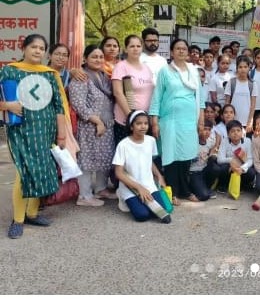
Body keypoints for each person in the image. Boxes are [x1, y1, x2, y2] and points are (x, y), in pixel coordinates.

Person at [1, 34, 68, 239]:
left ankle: (31, 214)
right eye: (33, 47)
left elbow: (58, 106)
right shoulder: (10, 70)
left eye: (41, 48)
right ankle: (18, 220)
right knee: (24, 172)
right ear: (24, 48)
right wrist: (7, 105)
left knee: (40, 171)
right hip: (21, 130)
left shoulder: (49, 74)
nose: (38, 51)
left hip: (46, 131)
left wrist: (62, 135)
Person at [149, 38, 205, 206]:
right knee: (171, 157)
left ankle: (185, 191)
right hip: (170, 121)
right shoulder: (165, 71)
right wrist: (154, 122)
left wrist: (201, 121)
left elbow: (200, 99)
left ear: (187, 52)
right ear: (172, 52)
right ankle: (172, 192)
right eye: (178, 48)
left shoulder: (194, 71)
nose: (181, 51)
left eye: (184, 48)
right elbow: (157, 97)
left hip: (189, 121)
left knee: (186, 156)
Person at [68, 44, 116, 207]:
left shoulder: (104, 76)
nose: (98, 59)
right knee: (87, 160)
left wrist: (104, 123)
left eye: (101, 57)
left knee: (104, 157)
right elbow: (78, 104)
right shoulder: (81, 77)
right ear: (85, 59)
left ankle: (101, 188)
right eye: (94, 57)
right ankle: (84, 195)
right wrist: (97, 121)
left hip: (107, 124)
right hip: (89, 126)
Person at [113, 110, 171, 224]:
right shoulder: (123, 145)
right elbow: (118, 173)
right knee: (142, 215)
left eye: (146, 123)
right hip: (130, 186)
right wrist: (139, 188)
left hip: (148, 185)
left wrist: (159, 176)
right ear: (131, 126)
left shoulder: (151, 140)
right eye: (138, 123)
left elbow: (149, 161)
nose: (143, 126)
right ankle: (122, 195)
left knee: (160, 211)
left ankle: (139, 201)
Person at [111, 35, 154, 144]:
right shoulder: (121, 66)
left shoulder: (147, 68)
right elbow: (117, 92)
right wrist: (132, 117)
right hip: (127, 121)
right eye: (132, 46)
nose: (135, 49)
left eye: (138, 46)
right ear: (126, 49)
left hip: (144, 122)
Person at [213, 120, 255, 193]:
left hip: (241, 167)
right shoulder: (225, 141)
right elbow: (219, 159)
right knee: (223, 168)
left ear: (242, 132)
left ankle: (241, 186)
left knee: (251, 173)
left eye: (238, 130)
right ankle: (224, 185)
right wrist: (231, 160)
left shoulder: (247, 141)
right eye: (232, 131)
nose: (236, 133)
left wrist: (242, 168)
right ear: (228, 134)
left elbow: (250, 160)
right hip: (229, 167)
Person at [224, 56, 258, 133]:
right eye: (240, 67)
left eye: (245, 67)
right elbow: (227, 103)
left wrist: (250, 121)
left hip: (246, 122)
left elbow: (253, 105)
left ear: (249, 68)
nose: (243, 69)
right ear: (237, 68)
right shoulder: (231, 82)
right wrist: (227, 119)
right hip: (232, 121)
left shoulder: (253, 84)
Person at [190, 119, 219, 201]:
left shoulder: (210, 142)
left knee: (216, 168)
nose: (207, 132)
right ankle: (194, 189)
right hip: (193, 172)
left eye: (209, 130)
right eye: (205, 129)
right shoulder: (192, 142)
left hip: (204, 170)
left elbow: (214, 148)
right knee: (204, 196)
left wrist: (212, 155)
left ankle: (206, 187)